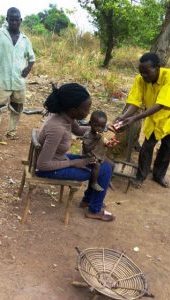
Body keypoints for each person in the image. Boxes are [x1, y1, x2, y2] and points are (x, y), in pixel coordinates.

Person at [36, 83, 115, 222]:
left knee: (106, 164)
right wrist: (74, 162)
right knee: (102, 167)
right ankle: (94, 209)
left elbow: (79, 131)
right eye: (86, 109)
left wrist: (101, 128)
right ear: (74, 110)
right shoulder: (57, 128)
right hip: (49, 169)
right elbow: (42, 165)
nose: (88, 112)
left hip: (58, 160)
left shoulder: (65, 117)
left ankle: (89, 201)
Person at [113, 52, 170, 188]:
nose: (144, 76)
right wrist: (123, 117)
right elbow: (135, 102)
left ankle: (159, 175)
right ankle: (140, 176)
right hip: (153, 119)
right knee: (147, 147)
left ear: (158, 67)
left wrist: (134, 118)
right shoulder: (140, 80)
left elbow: (162, 104)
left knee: (167, 148)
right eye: (141, 73)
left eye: (147, 72)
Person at [0, 7, 35, 143]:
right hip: (3, 80)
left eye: (16, 20)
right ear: (7, 19)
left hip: (19, 82)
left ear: (20, 20)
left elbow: (32, 58)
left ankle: (12, 131)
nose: (14, 22)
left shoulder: (25, 39)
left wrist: (27, 69)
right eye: (11, 20)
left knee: (17, 107)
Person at [82, 110, 109, 192]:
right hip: (88, 156)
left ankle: (108, 179)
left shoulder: (99, 135)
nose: (99, 128)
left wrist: (108, 144)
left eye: (102, 126)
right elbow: (86, 149)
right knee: (97, 165)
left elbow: (101, 143)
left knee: (111, 164)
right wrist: (95, 140)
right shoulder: (88, 135)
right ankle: (94, 182)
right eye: (96, 125)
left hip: (98, 155)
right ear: (90, 123)